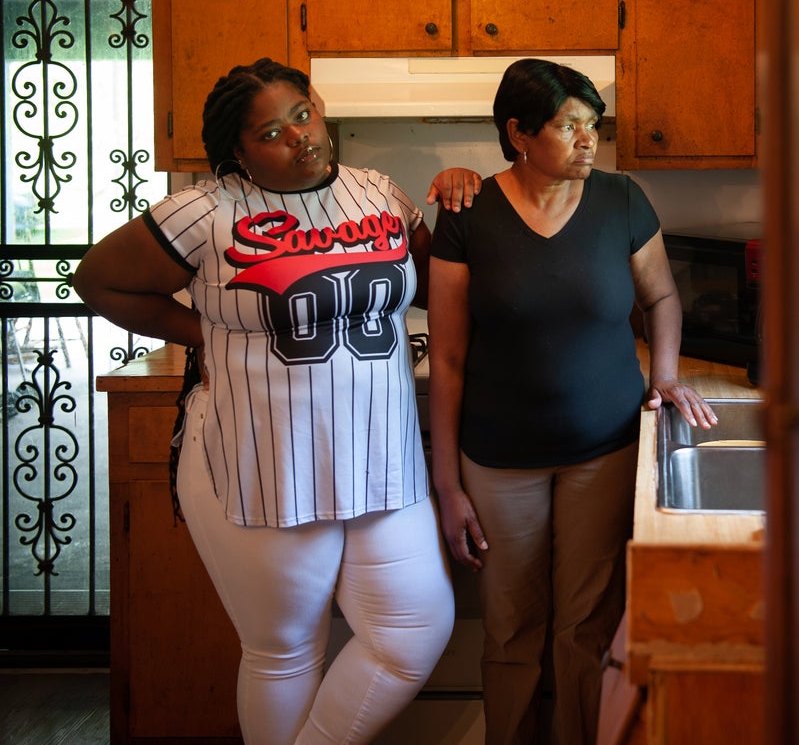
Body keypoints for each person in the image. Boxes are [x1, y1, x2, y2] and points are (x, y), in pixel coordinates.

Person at [74, 57, 479, 745]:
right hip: (263, 456)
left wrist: (464, 192)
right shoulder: (204, 210)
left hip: (383, 453)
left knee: (413, 629)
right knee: (285, 648)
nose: (300, 136)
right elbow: (99, 281)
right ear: (238, 150)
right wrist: (201, 330)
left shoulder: (377, 191)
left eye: (303, 113)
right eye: (271, 132)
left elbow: (436, 276)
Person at [427, 57, 718, 745]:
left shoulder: (622, 199)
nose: (590, 140)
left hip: (604, 451)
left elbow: (663, 296)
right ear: (519, 133)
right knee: (511, 628)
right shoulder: (468, 213)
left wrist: (668, 373)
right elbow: (445, 356)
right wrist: (447, 484)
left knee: (586, 625)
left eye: (594, 124)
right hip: (499, 461)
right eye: (570, 125)